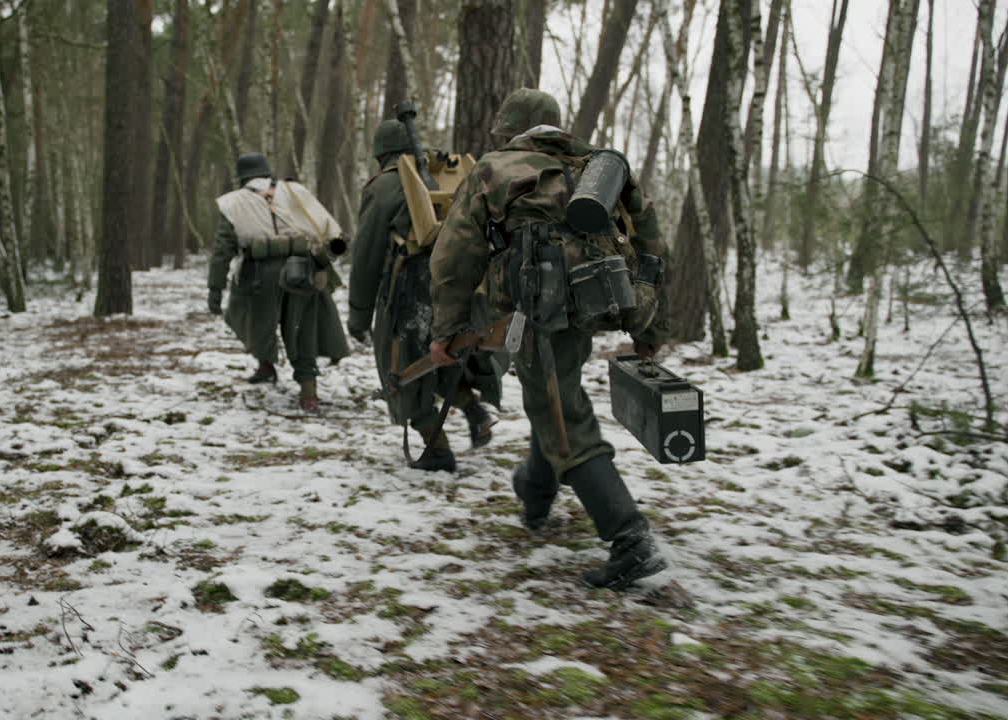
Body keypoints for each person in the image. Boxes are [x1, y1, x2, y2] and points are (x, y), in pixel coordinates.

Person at [426, 89, 671, 590]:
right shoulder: (601, 169)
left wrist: (445, 329)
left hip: (540, 313)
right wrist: (649, 327)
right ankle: (534, 493)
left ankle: (630, 539)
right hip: (596, 305)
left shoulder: (495, 169)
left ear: (515, 130)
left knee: (562, 414)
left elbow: (453, 257)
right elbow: (651, 245)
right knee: (553, 396)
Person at [349, 120, 501, 472]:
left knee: (402, 366)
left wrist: (359, 314)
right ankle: (473, 410)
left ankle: (436, 449)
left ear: (380, 154)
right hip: (466, 282)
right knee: (450, 350)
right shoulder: (455, 176)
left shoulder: (384, 186)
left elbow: (367, 256)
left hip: (411, 289)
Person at [207, 152, 350, 412]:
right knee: (302, 330)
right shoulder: (294, 190)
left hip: (259, 274)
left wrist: (214, 288)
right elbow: (329, 227)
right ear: (266, 171)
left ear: (242, 177)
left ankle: (267, 364)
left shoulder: (232, 202)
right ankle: (308, 395)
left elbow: (222, 250)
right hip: (302, 270)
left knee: (252, 319)